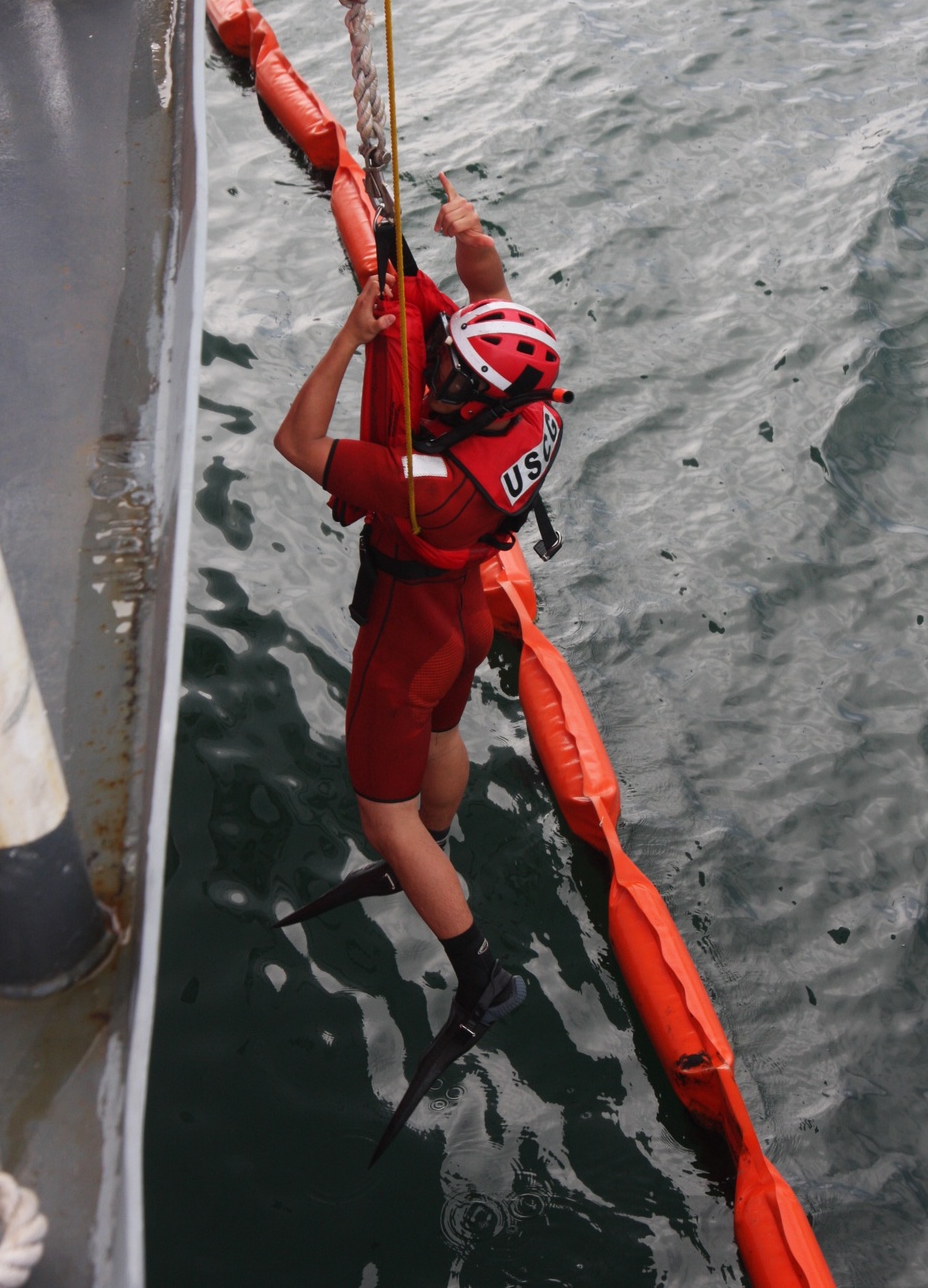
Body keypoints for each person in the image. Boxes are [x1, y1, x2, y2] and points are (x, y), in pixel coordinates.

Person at [273, 175, 565, 1157]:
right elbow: (490, 294)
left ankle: (482, 976)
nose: (439, 369)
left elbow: (298, 441)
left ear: (467, 396)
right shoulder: (533, 409)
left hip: (404, 632)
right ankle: (433, 846)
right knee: (446, 733)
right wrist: (468, 233)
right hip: (465, 615)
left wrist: (354, 337)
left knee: (383, 818)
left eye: (450, 374)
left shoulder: (426, 486)